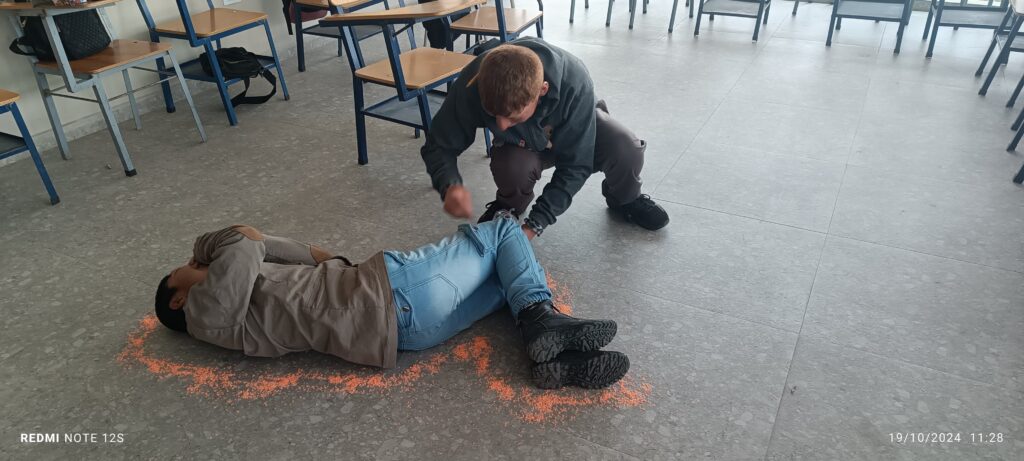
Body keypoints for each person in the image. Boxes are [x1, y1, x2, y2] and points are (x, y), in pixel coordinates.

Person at [153, 213, 628, 389]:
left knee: (505, 278)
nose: (190, 264)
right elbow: (244, 238)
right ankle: (541, 319)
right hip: (393, 293)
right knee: (504, 229)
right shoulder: (206, 313)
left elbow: (309, 254)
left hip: (408, 331)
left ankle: (555, 361)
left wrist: (314, 257)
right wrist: (202, 247)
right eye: (182, 270)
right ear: (177, 300)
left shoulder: (238, 301)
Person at [421, 37, 670, 240]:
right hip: (522, 145)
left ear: (542, 91)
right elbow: (438, 145)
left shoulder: (575, 81)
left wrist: (535, 224)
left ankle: (625, 199)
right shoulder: (473, 82)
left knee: (625, 148)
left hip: (573, 130)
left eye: (512, 117)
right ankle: (508, 207)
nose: (501, 125)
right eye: (493, 115)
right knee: (511, 167)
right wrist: (449, 185)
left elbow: (576, 166)